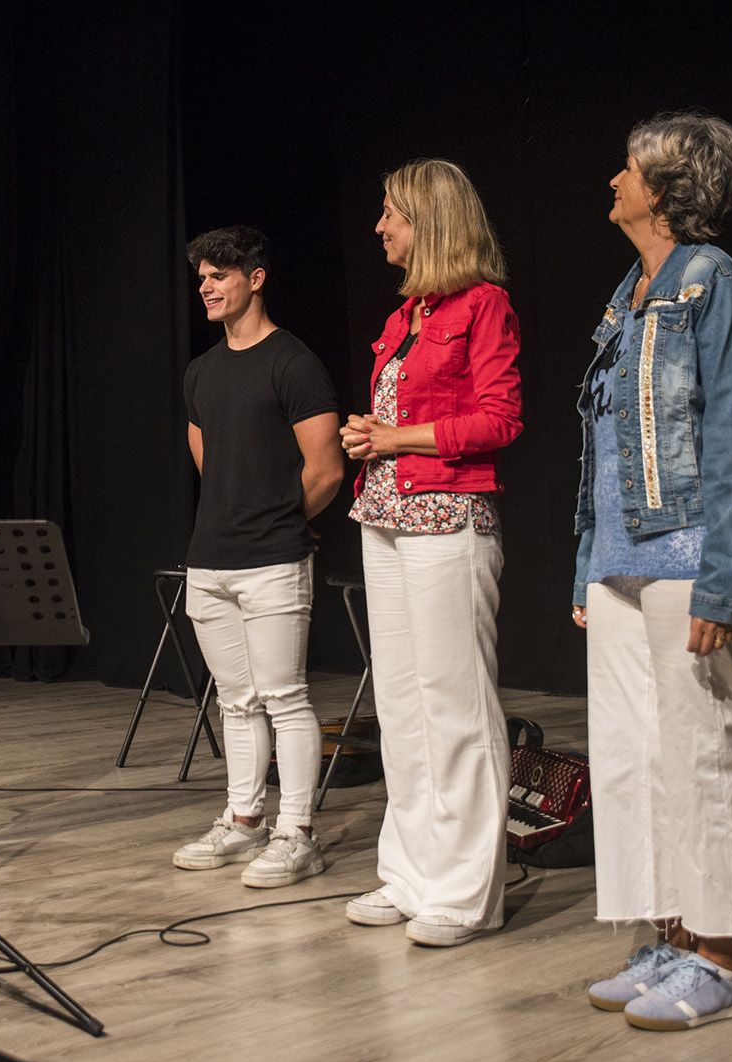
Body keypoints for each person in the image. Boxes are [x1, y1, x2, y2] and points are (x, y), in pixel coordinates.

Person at [572, 112, 732, 1029]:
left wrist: (724, 580)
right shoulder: (628, 293)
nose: (612, 180)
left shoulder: (711, 282)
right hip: (621, 562)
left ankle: (721, 961)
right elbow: (602, 445)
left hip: (691, 553)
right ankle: (672, 939)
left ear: (661, 189)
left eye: (627, 169)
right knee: (635, 759)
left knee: (704, 754)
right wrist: (587, 564)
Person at [339, 159, 522, 947]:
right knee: (402, 705)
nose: (380, 226)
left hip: (449, 515)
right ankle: (410, 874)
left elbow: (499, 420)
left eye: (392, 213)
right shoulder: (404, 315)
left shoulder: (484, 304)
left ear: (430, 220)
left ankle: (468, 893)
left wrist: (397, 437)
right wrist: (368, 438)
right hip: (384, 513)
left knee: (456, 704)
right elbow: (396, 423)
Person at [171, 226, 344, 888]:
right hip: (210, 559)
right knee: (235, 700)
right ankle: (243, 819)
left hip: (272, 560)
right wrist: (235, 516)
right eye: (202, 278)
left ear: (255, 278)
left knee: (284, 696)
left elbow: (325, 469)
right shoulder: (201, 371)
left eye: (219, 275)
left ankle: (296, 832)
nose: (207, 288)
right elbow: (209, 461)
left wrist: (279, 523)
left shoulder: (293, 363)